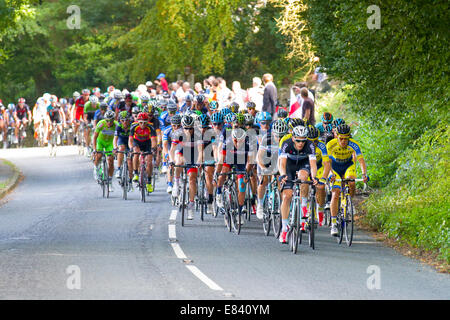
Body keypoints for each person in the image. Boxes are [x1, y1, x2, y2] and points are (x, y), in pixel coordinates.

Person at [321, 124, 369, 236]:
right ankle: (333, 224)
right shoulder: (330, 144)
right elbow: (326, 163)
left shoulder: (354, 144)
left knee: (351, 181)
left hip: (348, 165)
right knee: (335, 193)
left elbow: (361, 160)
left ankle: (349, 202)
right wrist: (330, 174)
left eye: (346, 139)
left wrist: (364, 174)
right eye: (341, 138)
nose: (343, 141)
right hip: (334, 167)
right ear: (336, 136)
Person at [278, 125, 318, 244]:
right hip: (289, 165)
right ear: (293, 138)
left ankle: (304, 206)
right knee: (286, 196)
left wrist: (314, 176)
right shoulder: (286, 143)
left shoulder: (310, 145)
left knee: (304, 177)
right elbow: (282, 164)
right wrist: (283, 174)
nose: (301, 143)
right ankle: (284, 229)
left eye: (303, 140)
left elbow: (313, 165)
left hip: (303, 164)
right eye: (298, 140)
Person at [129, 112, 158, 193]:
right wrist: (131, 148)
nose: (142, 124)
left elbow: (153, 140)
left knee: (149, 161)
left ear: (147, 121)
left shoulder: (150, 127)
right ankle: (135, 174)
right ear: (137, 121)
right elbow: (130, 140)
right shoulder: (133, 126)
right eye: (140, 122)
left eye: (144, 123)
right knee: (136, 153)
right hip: (137, 142)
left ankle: (149, 182)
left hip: (147, 143)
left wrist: (153, 148)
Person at [93, 110, 118, 192]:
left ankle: (109, 181)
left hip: (110, 143)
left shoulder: (116, 125)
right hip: (100, 142)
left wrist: (116, 148)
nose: (109, 122)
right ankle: (96, 168)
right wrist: (94, 149)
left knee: (111, 161)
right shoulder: (101, 123)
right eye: (107, 120)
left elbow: (118, 138)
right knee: (99, 156)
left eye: (111, 120)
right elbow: (94, 137)